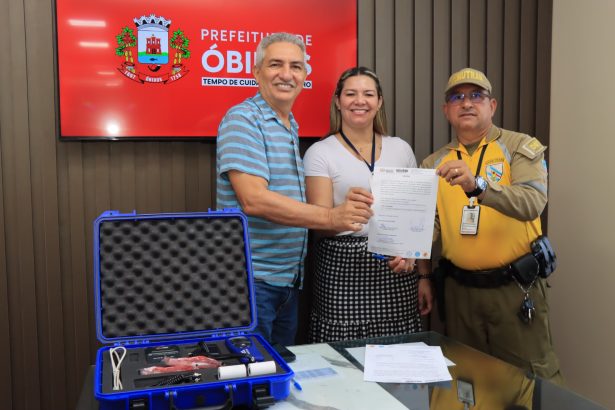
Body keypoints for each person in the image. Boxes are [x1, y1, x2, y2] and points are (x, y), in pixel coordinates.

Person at [216, 33, 373, 346]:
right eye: (276, 64)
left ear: (304, 76)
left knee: (275, 374)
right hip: (251, 281)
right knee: (253, 372)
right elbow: (253, 199)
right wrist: (331, 217)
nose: (286, 74)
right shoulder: (243, 119)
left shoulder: (289, 124)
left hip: (286, 281)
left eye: (296, 66)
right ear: (256, 71)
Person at [418, 67, 563, 383]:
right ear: (446, 110)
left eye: (476, 95)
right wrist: (416, 263)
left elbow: (532, 202)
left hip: (514, 290)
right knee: (468, 383)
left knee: (527, 383)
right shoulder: (433, 163)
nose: (466, 103)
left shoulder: (520, 147)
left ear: (492, 105)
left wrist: (479, 186)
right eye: (457, 97)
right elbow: (429, 224)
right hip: (459, 294)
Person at [303, 66, 433, 342]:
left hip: (397, 269)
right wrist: (346, 214)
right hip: (342, 271)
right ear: (338, 102)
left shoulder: (401, 148)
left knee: (398, 351)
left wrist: (423, 275)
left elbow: (416, 218)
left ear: (379, 101)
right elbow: (319, 225)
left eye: (368, 94)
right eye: (351, 94)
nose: (359, 101)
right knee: (342, 354)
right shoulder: (320, 152)